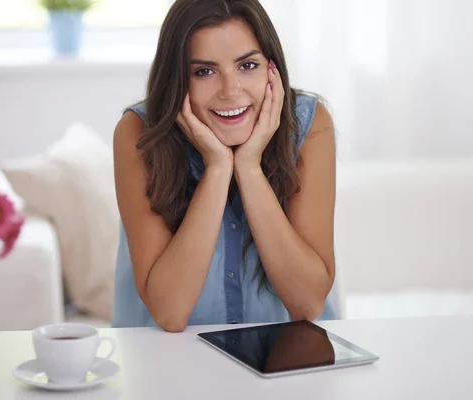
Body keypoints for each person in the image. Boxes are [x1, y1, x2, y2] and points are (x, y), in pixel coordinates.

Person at [111, 0, 339, 332]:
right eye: (204, 71)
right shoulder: (138, 133)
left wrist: (249, 167)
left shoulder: (309, 125)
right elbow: (170, 312)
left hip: (286, 367)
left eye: (247, 66)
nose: (231, 91)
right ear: (177, 79)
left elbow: (308, 303)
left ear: (271, 70)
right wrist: (217, 167)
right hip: (170, 365)